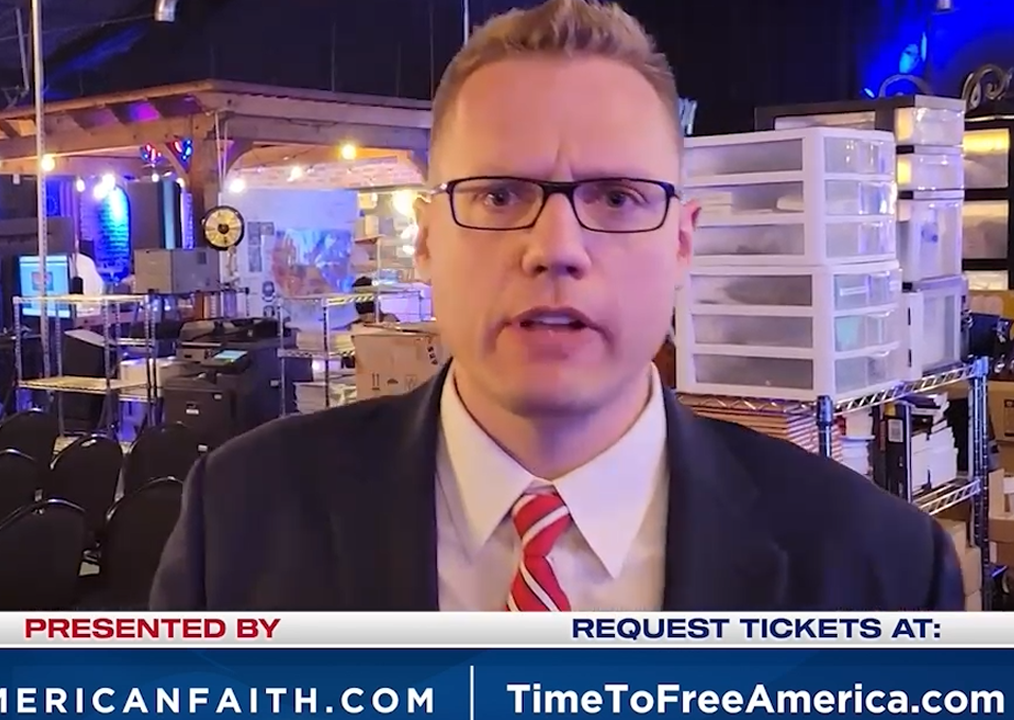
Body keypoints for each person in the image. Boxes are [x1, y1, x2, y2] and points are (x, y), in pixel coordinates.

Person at [150, 0, 962, 611]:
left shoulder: (879, 570)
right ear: (427, 238)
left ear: (682, 243)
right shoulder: (242, 518)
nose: (556, 247)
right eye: (500, 194)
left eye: (617, 196)